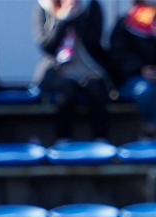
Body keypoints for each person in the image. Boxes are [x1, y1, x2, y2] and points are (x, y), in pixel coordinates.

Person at [34, 0, 113, 142]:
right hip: (58, 70)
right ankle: (63, 139)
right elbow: (47, 46)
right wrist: (63, 19)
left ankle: (100, 138)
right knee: (67, 90)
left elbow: (94, 41)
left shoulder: (92, 6)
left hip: (88, 67)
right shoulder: (44, 7)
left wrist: (77, 17)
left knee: (96, 88)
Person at [110, 0, 156, 138]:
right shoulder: (126, 24)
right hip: (134, 78)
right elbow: (118, 56)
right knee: (146, 90)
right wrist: (142, 69)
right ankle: (150, 131)